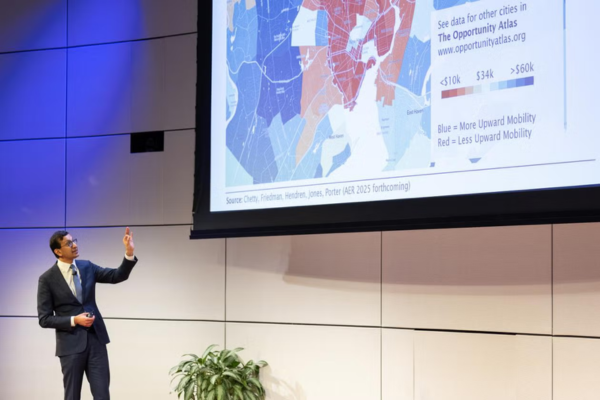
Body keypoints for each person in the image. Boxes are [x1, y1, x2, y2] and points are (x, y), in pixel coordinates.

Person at [37, 228, 138, 400]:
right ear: (58, 251)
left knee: (102, 395)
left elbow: (116, 275)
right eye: (69, 243)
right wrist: (74, 320)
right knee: (72, 396)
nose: (75, 245)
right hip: (70, 345)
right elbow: (44, 319)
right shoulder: (47, 279)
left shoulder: (87, 267)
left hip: (96, 341)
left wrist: (129, 253)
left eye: (74, 241)